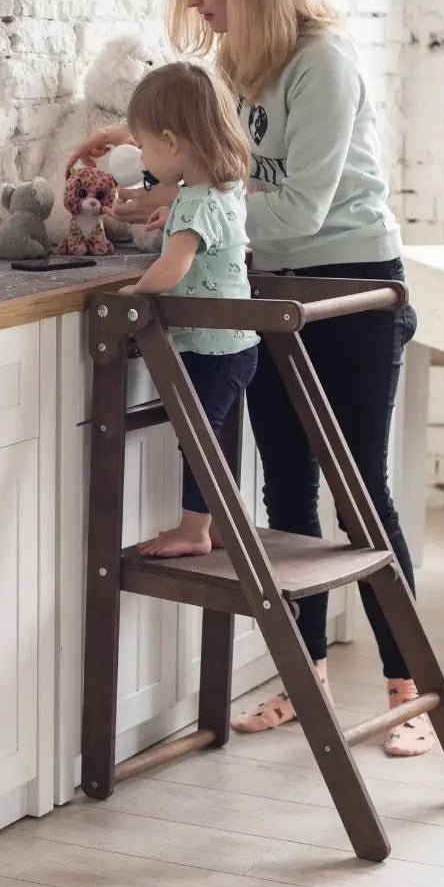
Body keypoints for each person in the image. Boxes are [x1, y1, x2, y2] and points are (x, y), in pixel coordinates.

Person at [70, 0, 432, 758]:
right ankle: (301, 672)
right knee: (286, 492)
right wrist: (145, 157)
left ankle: (407, 688)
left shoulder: (322, 63)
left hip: (347, 286)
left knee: (360, 492)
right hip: (261, 289)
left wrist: (195, 208)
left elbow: (301, 207)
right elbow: (214, 159)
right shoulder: (237, 62)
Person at [117, 61, 259, 559]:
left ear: (173, 144)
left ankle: (194, 529)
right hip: (235, 346)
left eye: (145, 146)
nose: (144, 157)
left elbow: (174, 268)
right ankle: (220, 522)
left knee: (198, 440)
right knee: (211, 433)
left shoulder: (195, 204)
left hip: (210, 346)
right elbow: (208, 235)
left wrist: (135, 295)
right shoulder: (222, 190)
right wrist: (171, 217)